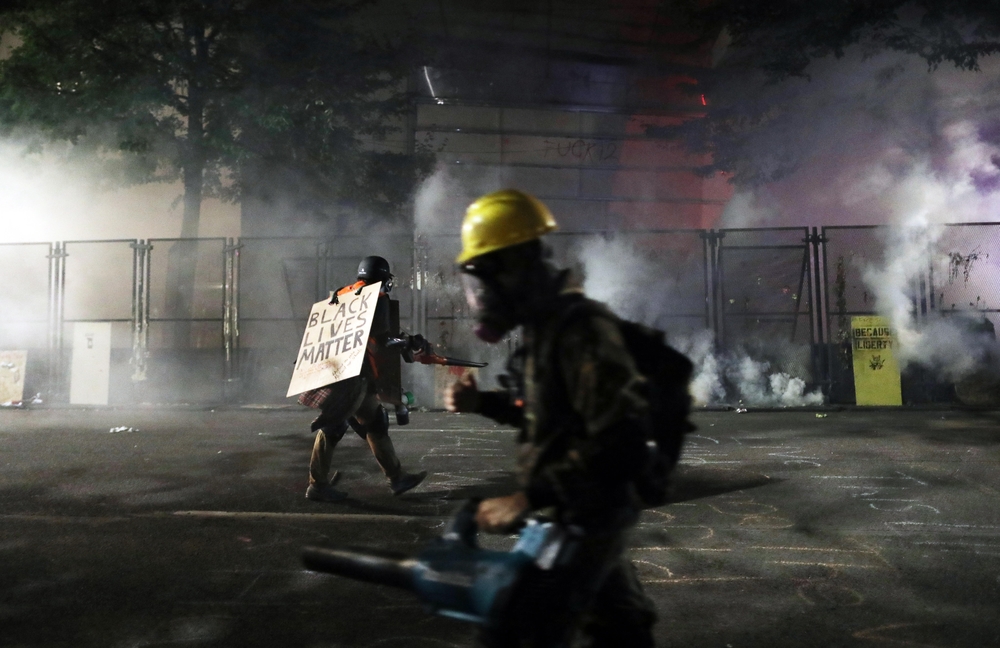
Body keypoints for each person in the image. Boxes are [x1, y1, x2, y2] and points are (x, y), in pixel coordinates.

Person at [445, 189, 660, 647]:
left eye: (484, 280)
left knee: (519, 627)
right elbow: (546, 418)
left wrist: (526, 499)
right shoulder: (544, 334)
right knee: (620, 630)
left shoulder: (580, 330)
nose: (481, 297)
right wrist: (482, 403)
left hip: (593, 510)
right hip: (579, 508)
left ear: (517, 267)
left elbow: (622, 439)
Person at [300, 255, 427, 502]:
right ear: (382, 279)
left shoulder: (341, 294)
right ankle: (317, 485)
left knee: (375, 423)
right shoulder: (375, 298)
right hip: (349, 378)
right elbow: (381, 341)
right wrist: (409, 341)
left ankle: (397, 477)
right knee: (332, 427)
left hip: (341, 370)